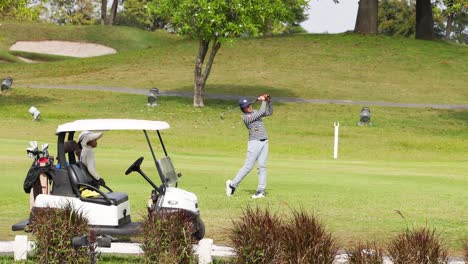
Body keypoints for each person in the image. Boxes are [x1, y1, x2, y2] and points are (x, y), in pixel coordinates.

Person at [226, 93, 273, 199]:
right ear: (243, 109)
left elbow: (269, 112)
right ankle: (232, 185)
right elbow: (261, 111)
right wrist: (264, 101)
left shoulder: (255, 112)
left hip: (264, 141)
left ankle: (260, 191)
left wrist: (269, 102)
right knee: (248, 166)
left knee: (262, 166)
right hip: (254, 142)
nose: (249, 107)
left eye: (249, 105)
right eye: (247, 107)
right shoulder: (246, 117)